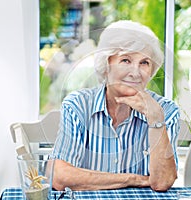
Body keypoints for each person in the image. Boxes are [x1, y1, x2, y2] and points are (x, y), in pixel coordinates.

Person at [51, 20, 180, 192]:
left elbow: (162, 182)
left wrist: (156, 120)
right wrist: (132, 179)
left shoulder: (166, 110)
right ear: (106, 65)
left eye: (144, 63)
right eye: (126, 60)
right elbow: (60, 178)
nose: (135, 72)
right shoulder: (78, 106)